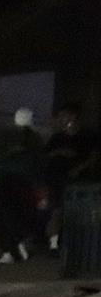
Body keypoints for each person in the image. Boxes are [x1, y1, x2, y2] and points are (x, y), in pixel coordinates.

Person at [0, 108, 45, 264]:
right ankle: (17, 240)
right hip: (23, 180)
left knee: (5, 214)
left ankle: (8, 249)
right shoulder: (34, 138)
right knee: (18, 213)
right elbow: (40, 161)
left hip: (6, 178)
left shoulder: (6, 136)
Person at [45, 104, 98, 256]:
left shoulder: (87, 136)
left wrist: (79, 169)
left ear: (73, 116)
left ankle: (77, 245)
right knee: (56, 209)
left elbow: (93, 156)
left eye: (64, 116)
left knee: (78, 212)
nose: (61, 120)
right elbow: (46, 154)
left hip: (79, 179)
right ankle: (54, 245)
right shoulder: (57, 137)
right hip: (57, 177)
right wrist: (58, 152)